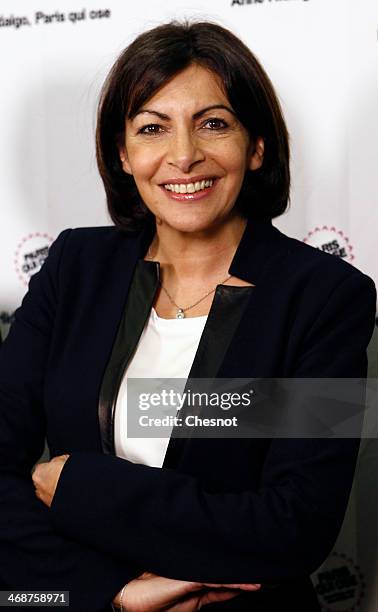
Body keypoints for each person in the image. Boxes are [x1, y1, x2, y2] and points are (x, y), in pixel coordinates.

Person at [0, 20, 376, 612]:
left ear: (256, 147)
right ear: (123, 154)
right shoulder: (75, 267)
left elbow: (295, 524)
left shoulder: (328, 296)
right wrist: (116, 592)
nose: (183, 155)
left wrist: (81, 485)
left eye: (214, 124)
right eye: (153, 128)